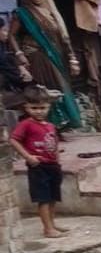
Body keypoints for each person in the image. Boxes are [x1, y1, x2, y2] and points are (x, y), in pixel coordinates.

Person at [9, 0, 81, 129]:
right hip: (35, 56)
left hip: (55, 56)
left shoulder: (52, 13)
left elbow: (63, 37)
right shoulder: (22, 13)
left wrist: (72, 58)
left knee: (60, 88)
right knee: (44, 90)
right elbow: (11, 36)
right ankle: (45, 126)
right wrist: (18, 53)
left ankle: (58, 126)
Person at [11, 85, 65, 239]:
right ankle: (47, 229)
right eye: (34, 108)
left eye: (42, 108)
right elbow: (14, 140)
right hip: (38, 166)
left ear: (48, 107)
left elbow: (54, 144)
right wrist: (28, 157)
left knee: (53, 197)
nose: (39, 111)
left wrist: (58, 161)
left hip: (53, 165)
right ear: (26, 107)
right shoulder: (26, 124)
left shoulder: (50, 126)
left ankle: (52, 224)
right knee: (43, 198)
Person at [0, 18, 32, 109]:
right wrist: (26, 81)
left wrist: (21, 67)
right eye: (4, 30)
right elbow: (6, 67)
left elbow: (9, 59)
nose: (7, 33)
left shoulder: (2, 46)